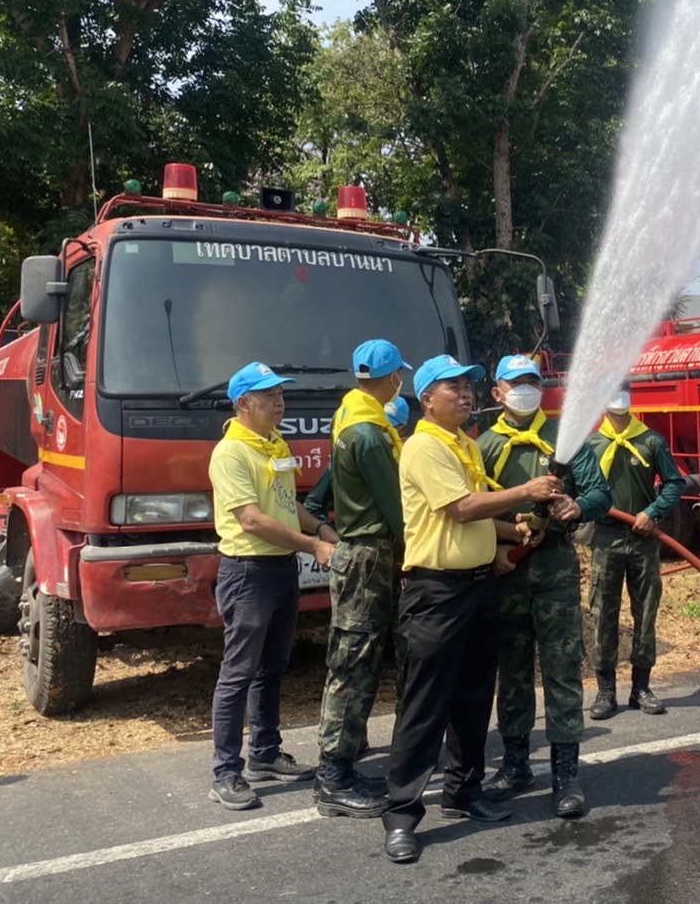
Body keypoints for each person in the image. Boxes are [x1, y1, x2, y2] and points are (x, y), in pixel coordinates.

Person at [381, 354, 566, 864]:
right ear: (426, 400)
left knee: (471, 697)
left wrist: (516, 527)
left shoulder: (463, 444)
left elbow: (476, 518)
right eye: (451, 387)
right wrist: (525, 491)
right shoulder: (423, 447)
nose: (464, 393)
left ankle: (464, 791)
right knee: (424, 705)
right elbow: (460, 509)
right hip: (436, 592)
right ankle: (402, 816)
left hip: (477, 587)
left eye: (467, 385)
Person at [475, 354, 612, 818]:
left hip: (553, 567)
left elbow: (600, 492)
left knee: (561, 667)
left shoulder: (565, 438)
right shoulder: (484, 446)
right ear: (497, 393)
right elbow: (471, 506)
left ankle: (565, 773)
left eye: (532, 382)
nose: (525, 390)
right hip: (507, 570)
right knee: (511, 671)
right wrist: (501, 538)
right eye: (516, 383)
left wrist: (578, 507)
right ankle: (515, 766)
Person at [207, 362, 339, 812]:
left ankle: (264, 753)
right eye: (269, 396)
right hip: (248, 571)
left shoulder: (274, 443)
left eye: (281, 394)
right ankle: (226, 772)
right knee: (238, 672)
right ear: (243, 403)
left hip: (281, 569)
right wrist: (312, 546)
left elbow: (286, 504)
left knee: (272, 667)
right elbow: (252, 520)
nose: (280, 402)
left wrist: (321, 529)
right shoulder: (231, 453)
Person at [309, 339, 413, 819]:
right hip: (369, 556)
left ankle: (344, 766)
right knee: (353, 667)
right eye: (400, 376)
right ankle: (332, 777)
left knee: (358, 664)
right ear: (393, 378)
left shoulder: (350, 417)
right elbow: (396, 510)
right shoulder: (370, 434)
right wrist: (417, 553)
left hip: (365, 555)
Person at [585, 389, 686, 721]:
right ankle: (605, 691)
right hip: (605, 539)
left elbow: (675, 482)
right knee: (603, 615)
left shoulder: (651, 442)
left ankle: (641, 687)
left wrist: (653, 512)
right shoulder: (590, 446)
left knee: (645, 613)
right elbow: (576, 490)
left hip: (642, 540)